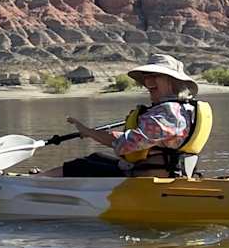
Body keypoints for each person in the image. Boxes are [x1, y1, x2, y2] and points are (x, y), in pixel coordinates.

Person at [41, 54, 212, 178]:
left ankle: (35, 182)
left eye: (155, 77)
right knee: (96, 158)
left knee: (81, 166)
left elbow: (125, 146)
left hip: (149, 181)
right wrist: (89, 132)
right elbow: (135, 140)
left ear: (172, 81)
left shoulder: (168, 113)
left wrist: (99, 135)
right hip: (163, 174)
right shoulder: (183, 109)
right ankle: (40, 178)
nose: (148, 82)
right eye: (146, 78)